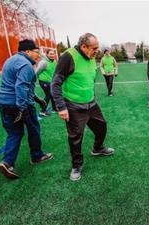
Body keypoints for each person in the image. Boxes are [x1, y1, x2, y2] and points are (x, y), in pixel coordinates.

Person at [51, 33, 114, 181]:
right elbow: (55, 83)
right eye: (94, 48)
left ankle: (97, 148)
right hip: (73, 106)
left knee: (101, 127)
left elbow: (89, 79)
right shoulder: (68, 56)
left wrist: (91, 96)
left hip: (91, 103)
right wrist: (61, 107)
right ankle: (76, 166)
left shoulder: (92, 58)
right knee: (76, 138)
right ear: (83, 46)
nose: (96, 51)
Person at [0, 39, 54, 179]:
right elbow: (21, 87)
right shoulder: (26, 65)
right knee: (34, 129)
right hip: (19, 105)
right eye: (36, 52)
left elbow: (23, 86)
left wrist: (38, 99)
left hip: (3, 103)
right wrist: (22, 108)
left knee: (14, 133)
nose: (39, 55)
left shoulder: (10, 60)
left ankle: (7, 163)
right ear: (27, 51)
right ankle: (37, 156)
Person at [35, 49, 57, 115]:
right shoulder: (43, 62)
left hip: (51, 81)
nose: (52, 55)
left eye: (53, 54)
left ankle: (54, 109)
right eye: (50, 54)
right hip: (44, 81)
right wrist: (34, 79)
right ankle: (43, 111)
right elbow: (37, 71)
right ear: (47, 54)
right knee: (48, 95)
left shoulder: (54, 61)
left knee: (53, 94)